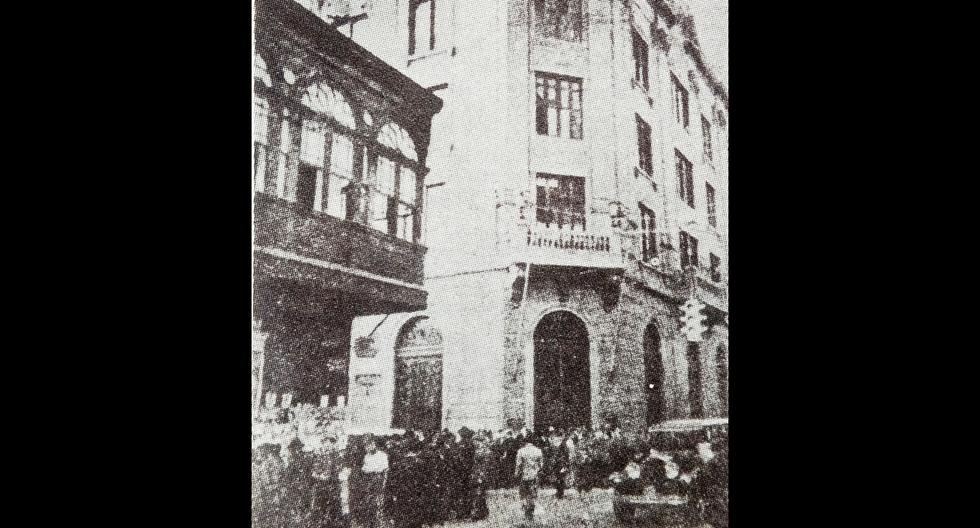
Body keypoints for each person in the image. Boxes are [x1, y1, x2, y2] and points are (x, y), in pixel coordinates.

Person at [387, 437, 427, 528]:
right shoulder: (420, 463)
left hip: (402, 495)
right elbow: (424, 480)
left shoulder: (397, 465)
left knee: (402, 518)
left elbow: (392, 482)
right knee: (415, 519)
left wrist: (393, 494)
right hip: (416, 495)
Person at [253, 443, 287, 528]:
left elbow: (270, 481)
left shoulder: (269, 464)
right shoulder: (273, 462)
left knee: (275, 514)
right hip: (274, 492)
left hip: (273, 493)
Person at [358, 437, 389, 528]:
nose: (367, 448)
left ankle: (379, 523)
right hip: (369, 479)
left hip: (378, 478)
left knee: (378, 501)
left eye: (369, 445)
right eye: (366, 446)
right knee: (368, 501)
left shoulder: (382, 455)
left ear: (374, 445)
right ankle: (369, 522)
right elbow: (364, 468)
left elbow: (385, 469)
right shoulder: (366, 456)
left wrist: (384, 482)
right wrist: (367, 470)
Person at [514, 434, 544, 523]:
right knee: (533, 493)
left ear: (525, 442)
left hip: (524, 476)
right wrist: (537, 471)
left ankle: (526, 510)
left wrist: (516, 474)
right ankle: (531, 511)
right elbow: (541, 465)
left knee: (523, 494)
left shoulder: (521, 451)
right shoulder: (538, 451)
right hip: (534, 475)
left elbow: (518, 464)